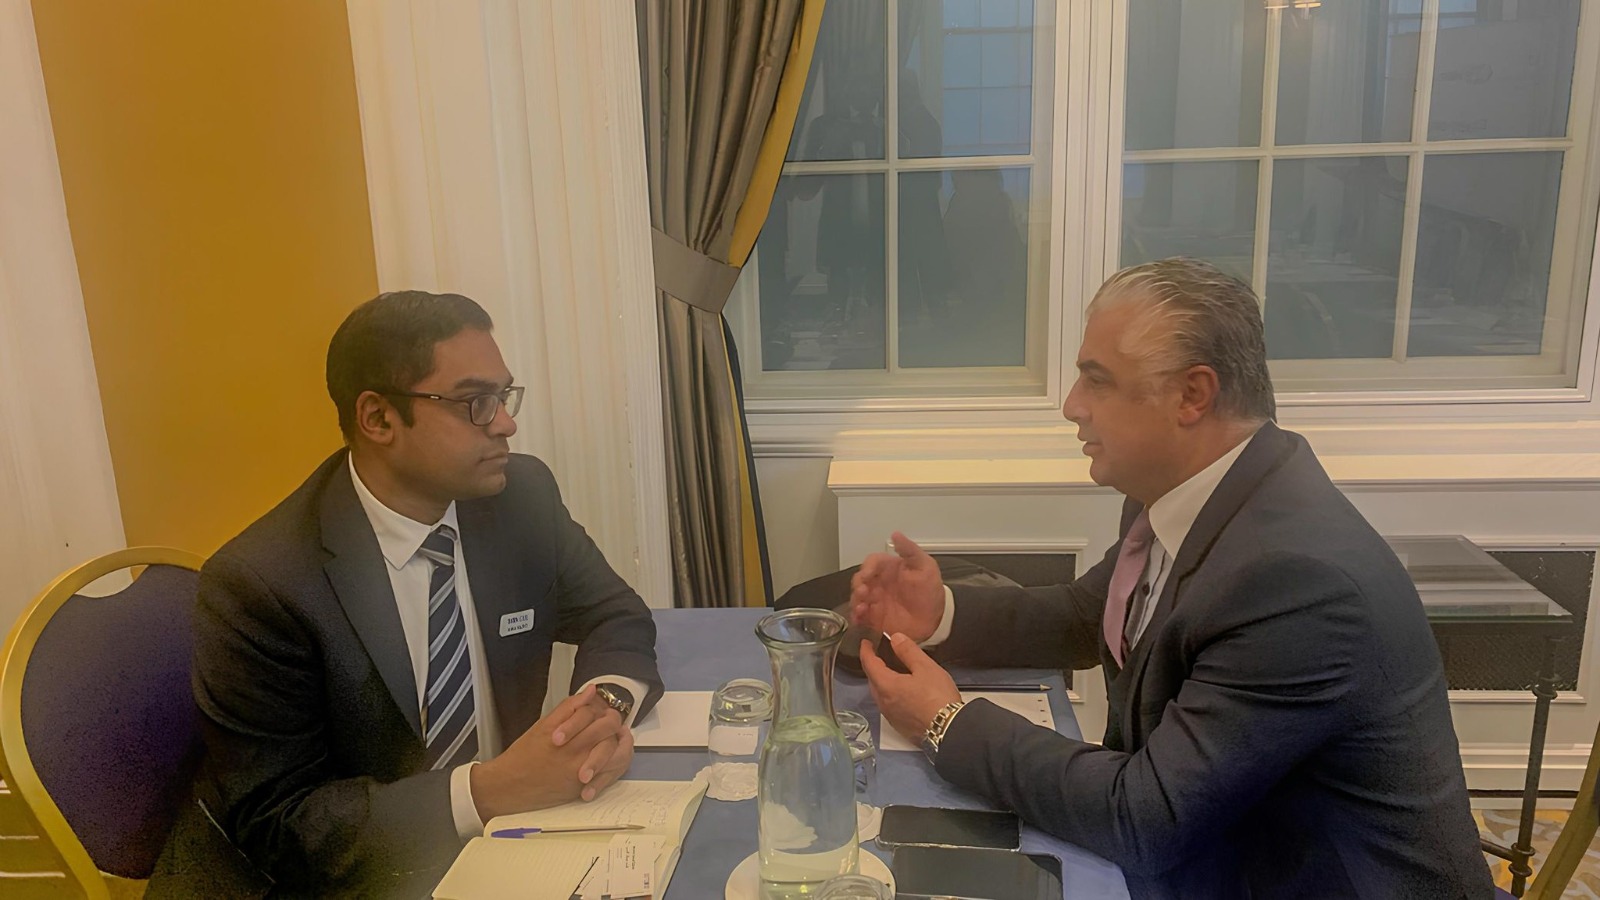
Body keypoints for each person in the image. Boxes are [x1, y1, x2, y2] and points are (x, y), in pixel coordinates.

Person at [851, 258, 1493, 898]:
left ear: (1192, 395)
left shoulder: (1298, 582)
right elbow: (1091, 614)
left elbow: (1145, 817)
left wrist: (948, 722)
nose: (1072, 406)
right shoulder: (1190, 489)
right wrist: (942, 614)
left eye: (1097, 381)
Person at [151, 291, 663, 897]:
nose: (505, 423)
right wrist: (489, 791)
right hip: (355, 876)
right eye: (475, 402)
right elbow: (280, 824)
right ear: (378, 419)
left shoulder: (518, 497)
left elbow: (615, 615)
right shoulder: (264, 584)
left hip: (514, 844)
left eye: (503, 396)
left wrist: (599, 712)